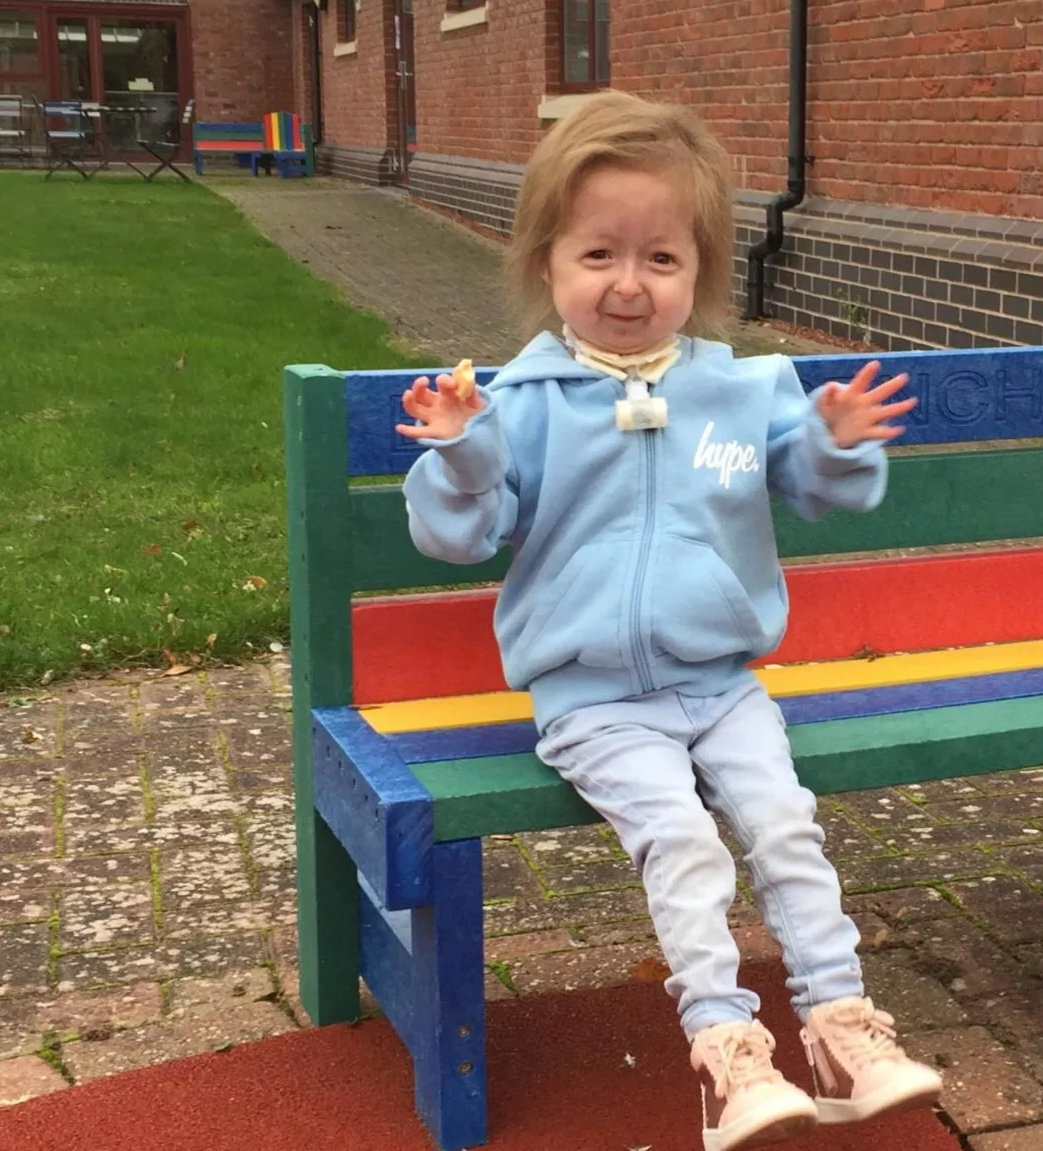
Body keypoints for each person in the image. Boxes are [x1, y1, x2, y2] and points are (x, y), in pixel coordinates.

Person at [397, 90, 943, 1151]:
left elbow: (822, 486)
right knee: (686, 844)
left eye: (662, 260)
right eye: (599, 254)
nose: (630, 285)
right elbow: (464, 532)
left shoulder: (744, 390)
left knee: (786, 824)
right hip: (593, 699)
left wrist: (829, 441)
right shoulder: (526, 401)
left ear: (700, 272)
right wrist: (463, 450)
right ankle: (727, 1053)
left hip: (723, 682)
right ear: (547, 262)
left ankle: (840, 1024)